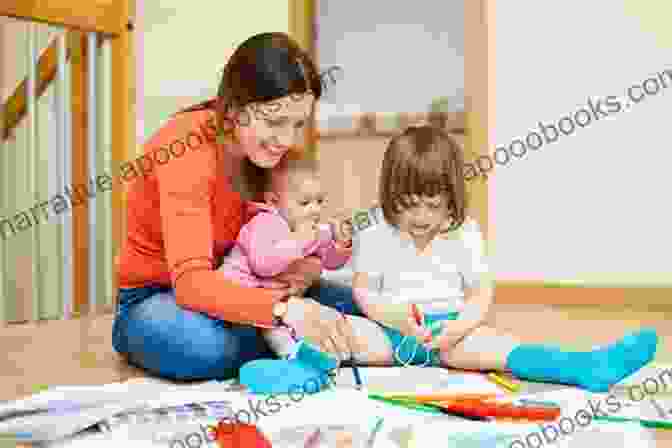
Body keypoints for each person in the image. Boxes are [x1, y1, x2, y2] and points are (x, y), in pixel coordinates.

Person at [111, 32, 361, 381]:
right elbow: (192, 284)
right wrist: (283, 309)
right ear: (233, 108)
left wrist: (308, 270)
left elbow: (289, 234)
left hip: (245, 282)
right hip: (159, 297)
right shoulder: (185, 148)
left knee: (352, 304)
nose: (287, 140)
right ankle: (282, 337)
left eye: (298, 124)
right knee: (209, 347)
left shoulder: (266, 152)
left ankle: (278, 335)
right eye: (275, 123)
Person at [345, 124, 658, 392]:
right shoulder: (376, 230)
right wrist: (393, 316)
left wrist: (458, 328)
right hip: (390, 332)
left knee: (500, 346)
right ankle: (299, 366)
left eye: (432, 205)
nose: (420, 216)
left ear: (451, 198)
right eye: (409, 205)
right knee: (347, 332)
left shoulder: (463, 232)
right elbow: (363, 290)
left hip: (452, 333)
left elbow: (481, 293)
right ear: (389, 196)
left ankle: (585, 366)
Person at [216, 155, 353, 357]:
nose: (315, 209)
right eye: (305, 202)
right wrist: (298, 242)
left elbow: (331, 262)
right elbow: (262, 264)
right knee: (276, 328)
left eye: (320, 201)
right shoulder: (264, 223)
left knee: (341, 302)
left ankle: (317, 347)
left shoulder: (310, 230)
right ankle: (293, 356)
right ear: (273, 201)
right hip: (240, 296)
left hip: (277, 298)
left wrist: (341, 244)